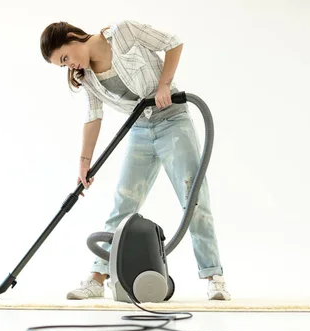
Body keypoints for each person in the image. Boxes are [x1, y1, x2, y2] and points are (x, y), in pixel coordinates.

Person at [40, 20, 230, 301]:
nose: (70, 67)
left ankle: (214, 277)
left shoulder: (123, 33)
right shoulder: (87, 77)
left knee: (194, 200)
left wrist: (164, 85)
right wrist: (84, 162)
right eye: (62, 65)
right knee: (123, 205)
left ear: (71, 37)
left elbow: (173, 41)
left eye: (65, 58)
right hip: (139, 129)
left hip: (173, 121)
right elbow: (94, 116)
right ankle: (97, 277)